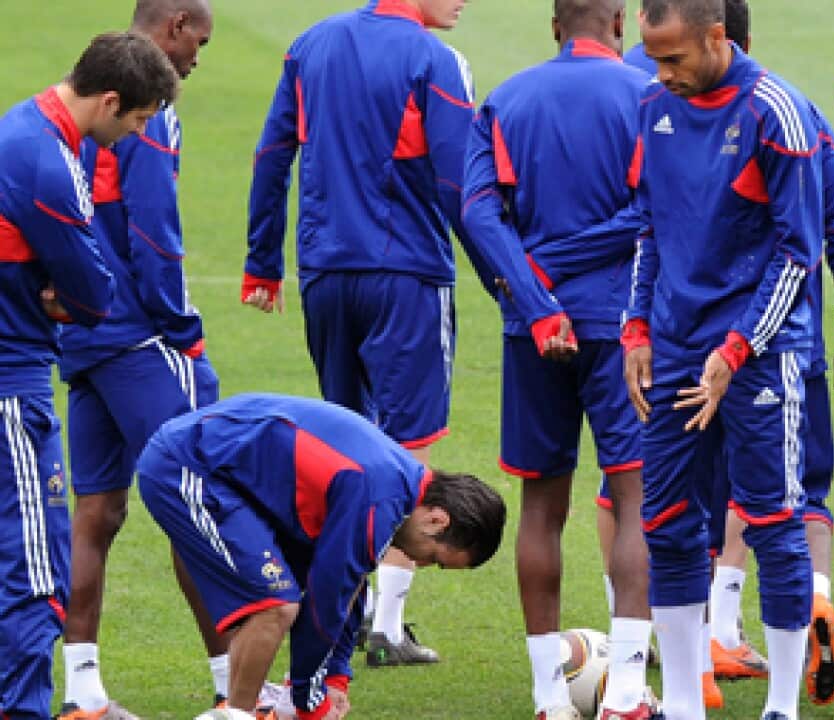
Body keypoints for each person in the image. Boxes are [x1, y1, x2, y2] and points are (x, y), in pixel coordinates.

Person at [243, 0, 488, 668]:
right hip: (405, 276)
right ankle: (385, 624)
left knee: (348, 449)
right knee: (408, 453)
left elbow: (273, 151)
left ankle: (340, 618)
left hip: (325, 274)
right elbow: (457, 181)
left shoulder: (308, 44)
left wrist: (262, 259)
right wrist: (502, 277)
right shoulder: (436, 60)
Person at [623, 0, 824, 717]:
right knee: (668, 522)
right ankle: (680, 702)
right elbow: (648, 230)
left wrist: (738, 348)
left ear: (717, 38)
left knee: (772, 521)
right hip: (674, 352)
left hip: (759, 356)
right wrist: (636, 330)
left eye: (673, 57)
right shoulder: (653, 106)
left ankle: (781, 707)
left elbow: (801, 254)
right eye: (653, 57)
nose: (661, 72)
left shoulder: (777, 112)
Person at [460, 1, 654, 717]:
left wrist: (536, 295)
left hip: (532, 330)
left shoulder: (506, 99)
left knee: (541, 507)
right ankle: (628, 694)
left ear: (554, 26)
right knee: (636, 499)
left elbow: (477, 212)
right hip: (623, 327)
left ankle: (550, 697)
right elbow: (655, 210)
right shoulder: (647, 97)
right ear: (620, 22)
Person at [0, 31, 177, 720]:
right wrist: (63, 292)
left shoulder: (24, 121)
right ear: (109, 100)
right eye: (135, 120)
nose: (133, 134)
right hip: (12, 384)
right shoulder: (46, 161)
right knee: (33, 570)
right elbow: (97, 297)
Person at [136, 393, 506, 720]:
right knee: (275, 606)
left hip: (224, 473)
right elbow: (326, 601)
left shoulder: (398, 489)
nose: (422, 565)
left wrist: (335, 677)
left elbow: (351, 587)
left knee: (279, 602)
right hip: (187, 465)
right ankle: (238, 711)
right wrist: (311, 702)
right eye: (436, 559)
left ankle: (239, 708)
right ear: (438, 519)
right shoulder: (379, 497)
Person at [56, 4, 220, 719]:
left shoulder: (76, 101)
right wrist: (182, 330)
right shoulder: (151, 109)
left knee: (95, 513)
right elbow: (156, 234)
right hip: (139, 338)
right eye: (199, 42)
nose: (197, 59)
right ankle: (234, 687)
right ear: (175, 24)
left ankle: (83, 691)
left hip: (81, 338)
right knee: (201, 500)